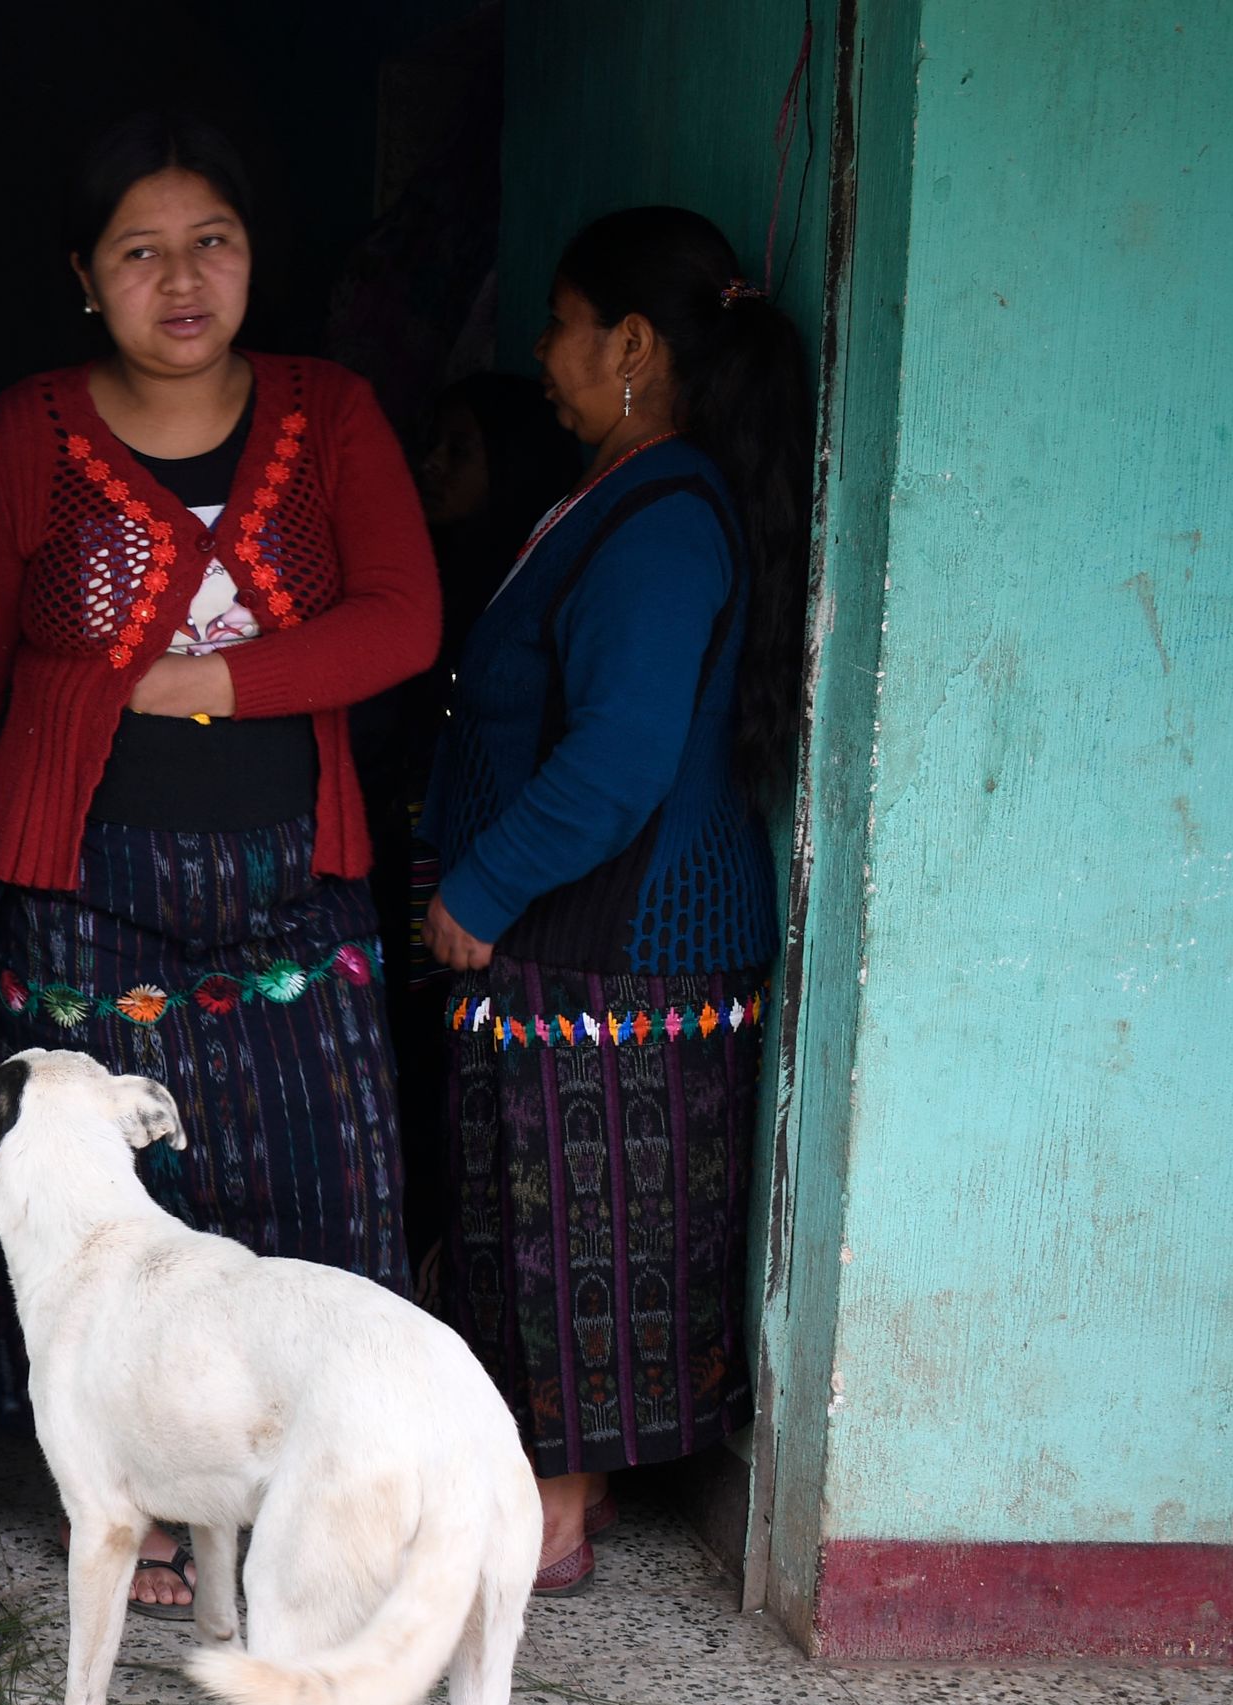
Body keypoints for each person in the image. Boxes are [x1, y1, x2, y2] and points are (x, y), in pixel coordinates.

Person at [0, 111, 440, 1612]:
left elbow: (403, 620)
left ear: (254, 254)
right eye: (141, 252)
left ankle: (332, 1490)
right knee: (106, 1211)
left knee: (318, 1180)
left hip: (294, 877)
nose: (183, 281)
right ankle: (127, 1489)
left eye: (211, 243)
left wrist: (208, 681)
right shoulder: (30, 432)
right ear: (84, 279)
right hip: (84, 885)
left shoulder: (331, 412)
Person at [422, 207, 811, 1593]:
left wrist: (480, 885)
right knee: (546, 1224)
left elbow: (621, 759)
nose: (541, 354)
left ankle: (559, 1513)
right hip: (596, 947)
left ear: (633, 342)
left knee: (582, 1230)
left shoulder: (663, 522)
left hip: (616, 945)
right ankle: (536, 1493)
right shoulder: (627, 495)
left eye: (559, 322)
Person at [353, 375, 582, 1283]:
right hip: (405, 845)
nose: (430, 465)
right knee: (402, 1039)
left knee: (434, 1036)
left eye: (461, 448)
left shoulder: (513, 584)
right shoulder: (411, 571)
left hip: (459, 867)